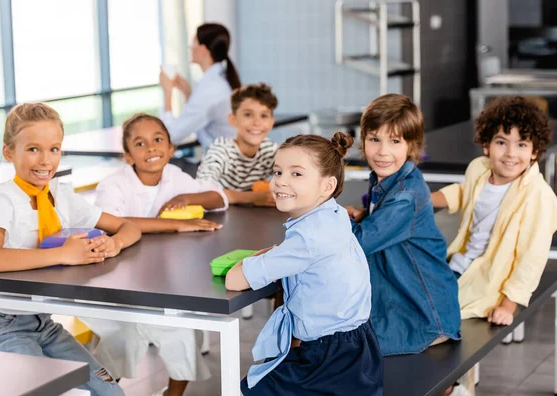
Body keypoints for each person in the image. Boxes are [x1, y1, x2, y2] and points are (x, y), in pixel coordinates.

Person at [0, 103, 141, 396]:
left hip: (44, 323)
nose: (45, 160)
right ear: (9, 152)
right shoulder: (0, 198)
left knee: (111, 392)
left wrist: (114, 243)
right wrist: (64, 254)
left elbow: (128, 227)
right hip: (4, 326)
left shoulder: (60, 194)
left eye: (54, 149)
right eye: (33, 149)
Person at [226, 133, 383, 395]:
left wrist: (254, 259)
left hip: (332, 358)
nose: (280, 182)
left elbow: (235, 279)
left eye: (296, 174)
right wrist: (274, 255)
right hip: (358, 346)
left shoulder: (309, 238)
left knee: (249, 390)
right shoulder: (333, 214)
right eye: (277, 172)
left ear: (327, 185)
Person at [84, 112, 227, 396]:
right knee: (122, 339)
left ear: (171, 149)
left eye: (158, 140)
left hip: (163, 277)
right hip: (118, 278)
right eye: (140, 144)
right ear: (127, 156)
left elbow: (218, 198)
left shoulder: (174, 176)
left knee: (183, 331)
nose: (151, 148)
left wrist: (187, 198)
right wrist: (177, 224)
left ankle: (172, 394)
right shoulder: (114, 184)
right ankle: (106, 391)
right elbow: (114, 222)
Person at [347, 94, 461, 356]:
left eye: (395, 141)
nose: (383, 151)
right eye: (375, 139)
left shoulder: (405, 195)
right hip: (399, 294)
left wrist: (326, 215)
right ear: (363, 141)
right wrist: (367, 214)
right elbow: (387, 222)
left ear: (411, 146)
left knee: (344, 348)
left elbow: (358, 244)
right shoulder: (387, 177)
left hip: (424, 313)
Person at [432, 96, 557, 325]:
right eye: (501, 142)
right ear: (486, 146)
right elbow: (465, 192)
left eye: (521, 144)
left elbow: (532, 258)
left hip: (488, 281)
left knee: (428, 316)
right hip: (457, 265)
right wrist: (426, 199)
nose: (510, 153)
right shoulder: (479, 169)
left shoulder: (539, 196)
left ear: (534, 151)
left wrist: (508, 306)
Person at [159, 23, 241, 148]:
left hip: (225, 163)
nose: (190, 48)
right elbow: (200, 117)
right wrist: (187, 92)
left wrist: (167, 92)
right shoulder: (220, 79)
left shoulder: (209, 88)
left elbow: (171, 135)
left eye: (193, 43)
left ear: (202, 49)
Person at [196, 83, 278, 206]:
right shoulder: (221, 148)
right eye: (248, 114)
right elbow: (202, 189)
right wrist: (252, 198)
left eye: (264, 116)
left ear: (271, 122)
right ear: (232, 119)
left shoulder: (270, 150)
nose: (257, 122)